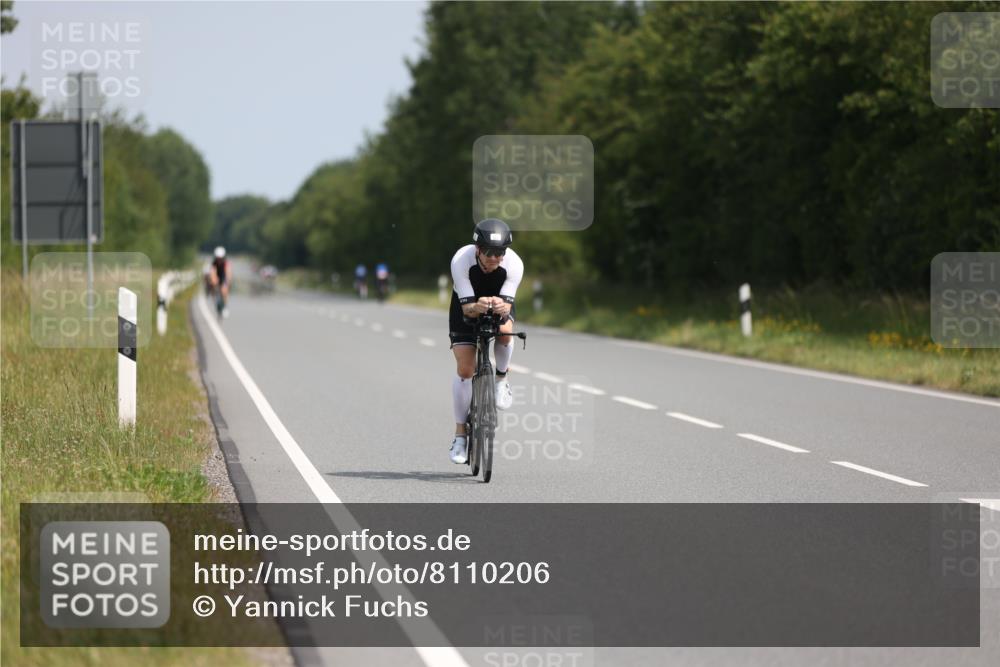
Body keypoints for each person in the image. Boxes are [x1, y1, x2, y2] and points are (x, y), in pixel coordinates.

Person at [447, 218, 523, 465]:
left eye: (500, 253)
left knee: (504, 331)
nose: (494, 258)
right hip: (465, 306)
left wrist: (502, 306)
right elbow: (468, 309)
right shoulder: (461, 260)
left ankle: (501, 379)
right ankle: (460, 434)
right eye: (489, 252)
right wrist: (475, 306)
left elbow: (508, 305)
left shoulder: (513, 264)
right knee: (465, 369)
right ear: (477, 249)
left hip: (497, 303)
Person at [209, 246, 231, 317]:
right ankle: (215, 299)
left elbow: (228, 273)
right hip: (217, 276)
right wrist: (213, 279)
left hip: (223, 276)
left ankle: (224, 306)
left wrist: (226, 282)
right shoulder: (214, 263)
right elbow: (212, 272)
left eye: (220, 258)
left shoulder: (225, 263)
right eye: (217, 258)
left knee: (224, 290)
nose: (219, 259)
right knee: (212, 283)